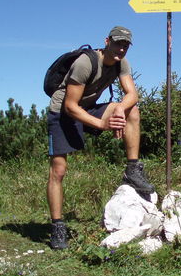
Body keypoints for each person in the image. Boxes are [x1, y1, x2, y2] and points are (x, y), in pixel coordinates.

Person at [46, 26, 154, 249]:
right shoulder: (85, 63)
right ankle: (57, 227)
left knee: (132, 110)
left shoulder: (122, 62)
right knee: (58, 171)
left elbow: (132, 94)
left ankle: (132, 169)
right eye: (117, 43)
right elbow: (70, 106)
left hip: (88, 108)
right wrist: (103, 124)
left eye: (125, 45)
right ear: (107, 41)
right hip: (63, 112)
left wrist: (118, 110)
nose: (121, 48)